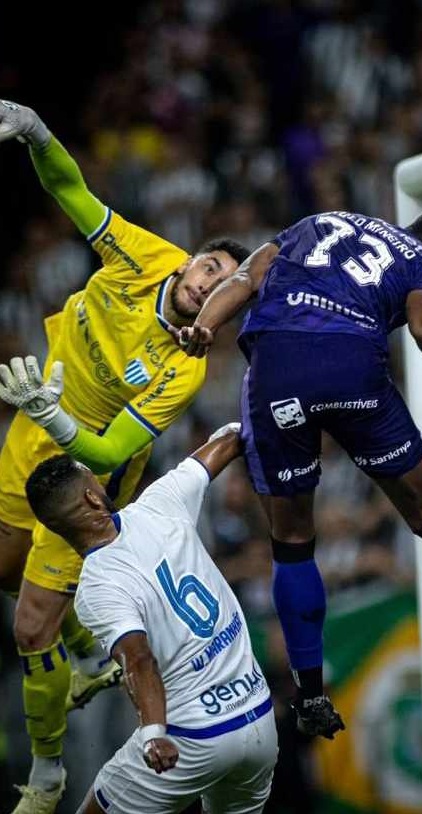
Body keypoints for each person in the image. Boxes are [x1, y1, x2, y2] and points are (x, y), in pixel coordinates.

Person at [172, 209, 422, 738]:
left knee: (293, 542)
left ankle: (310, 696)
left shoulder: (319, 222)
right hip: (353, 368)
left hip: (278, 369)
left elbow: (244, 278)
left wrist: (205, 326)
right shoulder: (420, 261)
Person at [0, 99, 249, 812]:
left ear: (224, 308)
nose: (204, 283)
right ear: (193, 259)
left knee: (28, 625)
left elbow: (110, 448)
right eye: (208, 267)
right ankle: (84, 652)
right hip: (31, 427)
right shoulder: (147, 257)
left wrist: (55, 416)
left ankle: (47, 776)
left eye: (223, 287)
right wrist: (39, 133)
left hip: (87, 473)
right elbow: (70, 192)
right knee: (2, 574)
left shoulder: (185, 369)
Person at [23, 423, 278, 814]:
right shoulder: (160, 501)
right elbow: (225, 443)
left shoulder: (97, 587)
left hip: (191, 735)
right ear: (93, 498)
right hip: (258, 717)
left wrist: (154, 732)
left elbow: (138, 659)